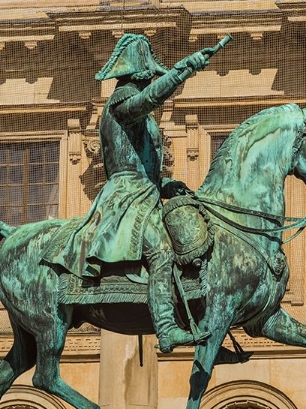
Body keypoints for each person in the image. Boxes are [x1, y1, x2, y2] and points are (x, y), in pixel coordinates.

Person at [45, 34, 213, 353]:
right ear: (137, 70)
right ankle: (166, 329)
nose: (151, 73)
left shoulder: (143, 116)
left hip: (145, 191)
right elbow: (147, 101)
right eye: (148, 68)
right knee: (162, 251)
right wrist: (183, 71)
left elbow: (143, 162)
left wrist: (166, 185)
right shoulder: (122, 100)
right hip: (126, 194)